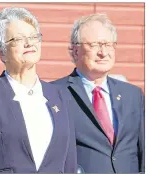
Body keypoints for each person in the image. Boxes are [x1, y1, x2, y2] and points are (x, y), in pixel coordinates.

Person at [0, 7, 77, 173]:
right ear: (1, 52)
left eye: (33, 36)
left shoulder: (61, 97)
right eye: (18, 38)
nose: (29, 43)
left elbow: (69, 164)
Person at [52, 13, 145, 173]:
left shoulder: (133, 95)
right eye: (94, 45)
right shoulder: (55, 93)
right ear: (75, 51)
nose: (103, 52)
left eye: (108, 44)